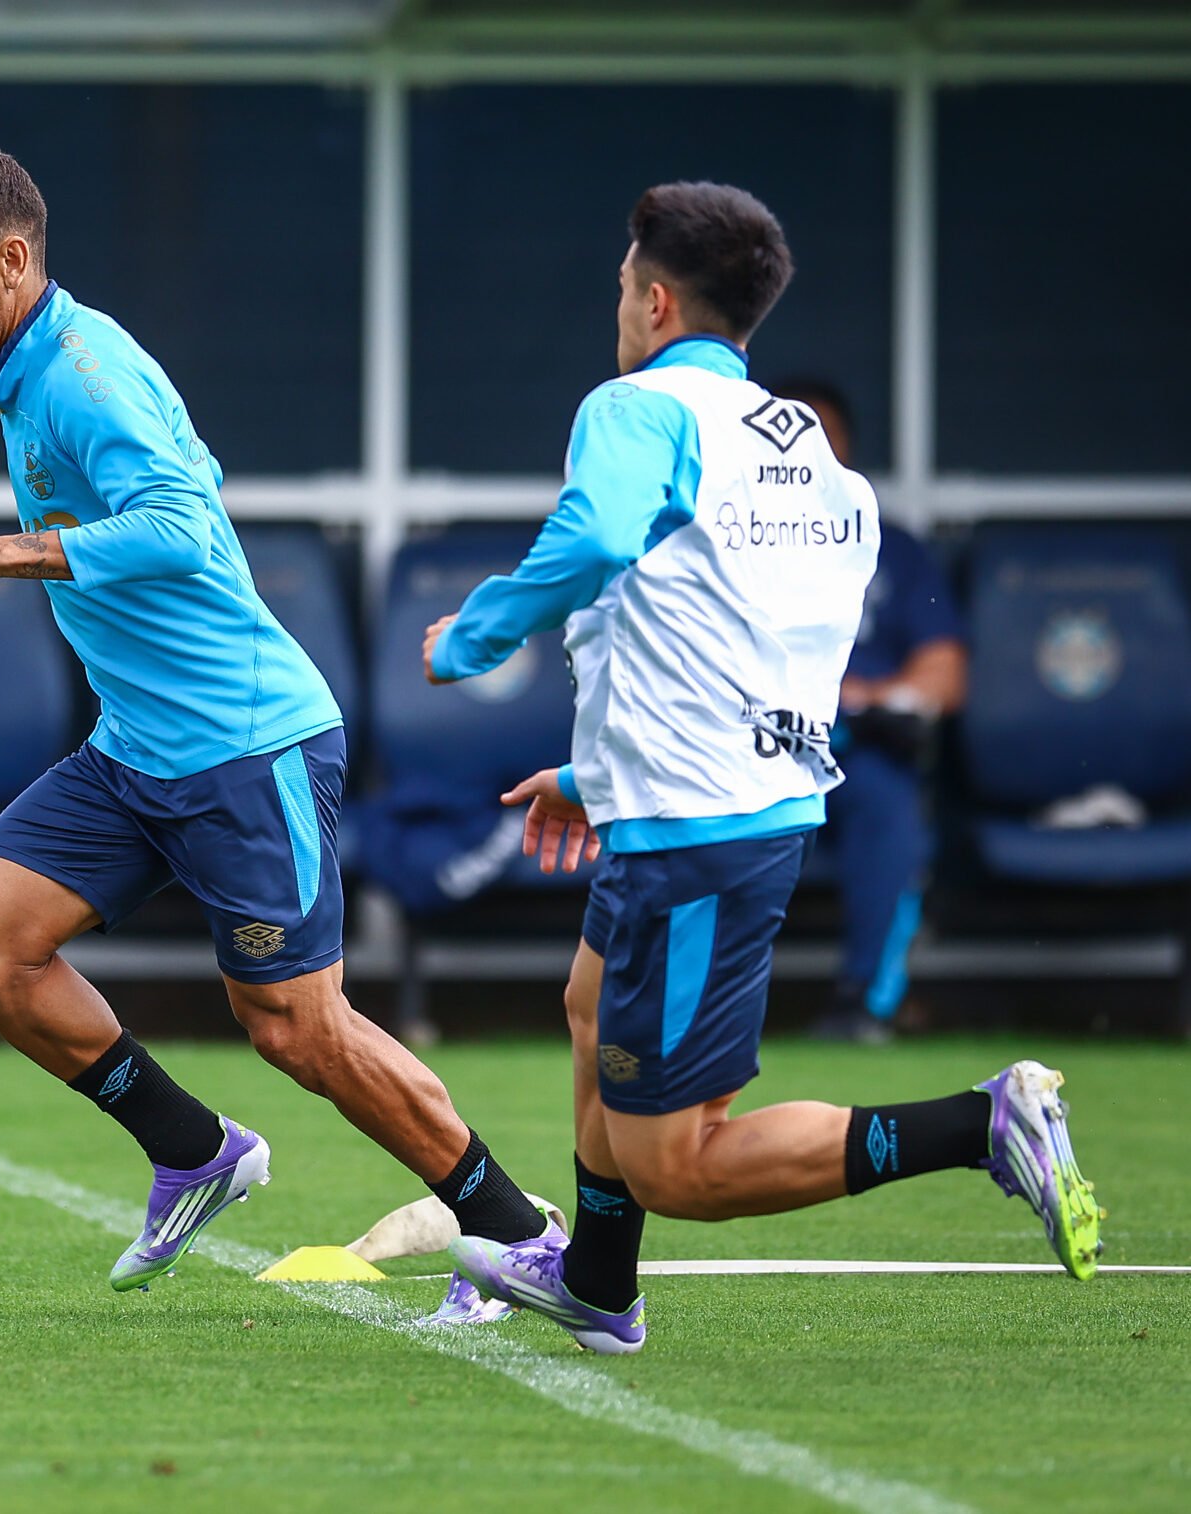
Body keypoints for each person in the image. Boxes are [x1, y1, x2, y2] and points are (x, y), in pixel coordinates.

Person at [422, 181, 1102, 1354]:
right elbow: (750, 643)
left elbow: (595, 540)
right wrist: (598, 775)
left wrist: (472, 635)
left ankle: (982, 1123)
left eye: (620, 286)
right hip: (727, 801)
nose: (617, 306)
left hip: (694, 833)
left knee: (678, 1164)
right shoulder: (812, 460)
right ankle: (596, 1281)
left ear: (653, 299)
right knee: (588, 1002)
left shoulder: (637, 407)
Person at [0, 144, 548, 1310]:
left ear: (11, 259)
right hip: (136, 746)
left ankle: (517, 1231)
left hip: (244, 745)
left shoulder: (80, 373)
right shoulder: (30, 373)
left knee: (298, 1029)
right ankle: (193, 1150)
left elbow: (182, 525)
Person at [769, 379, 968, 1044]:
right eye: (789, 437)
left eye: (822, 438)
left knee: (890, 809)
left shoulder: (891, 548)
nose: (806, 455)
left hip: (856, 751)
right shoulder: (721, 541)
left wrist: (859, 700)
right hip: (750, 755)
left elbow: (944, 675)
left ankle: (862, 1004)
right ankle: (703, 1012)